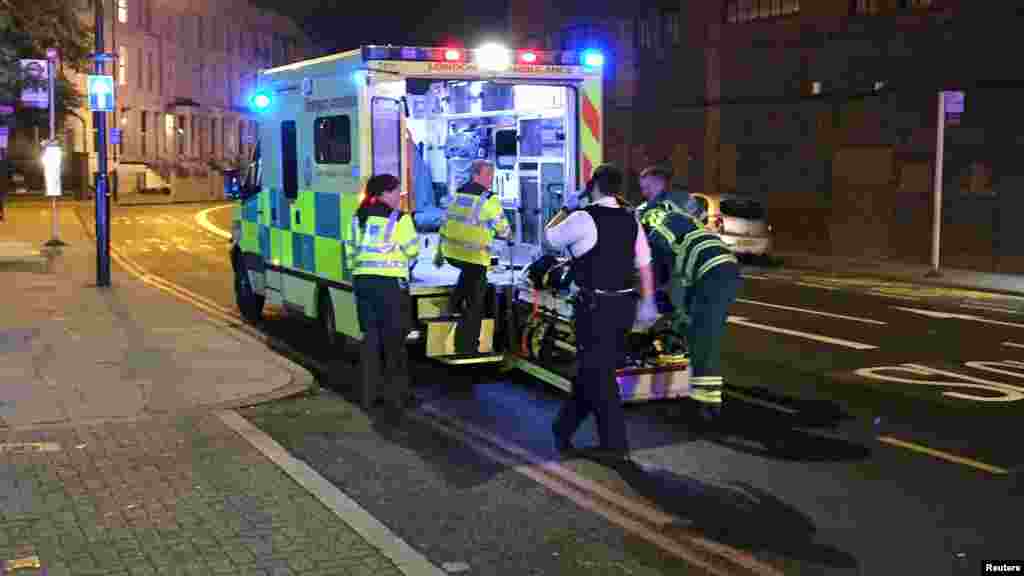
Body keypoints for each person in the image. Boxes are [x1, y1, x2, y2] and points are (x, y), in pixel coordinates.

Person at [544, 163, 658, 460]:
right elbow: (644, 263)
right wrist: (648, 302)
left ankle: (614, 446)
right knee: (594, 371)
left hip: (594, 309)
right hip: (623, 308)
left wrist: (566, 208)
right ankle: (563, 427)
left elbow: (549, 238)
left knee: (600, 376)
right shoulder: (631, 219)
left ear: (592, 185)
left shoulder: (583, 217)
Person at [636, 165, 740, 424]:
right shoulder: (678, 212)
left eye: (647, 186)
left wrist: (652, 298)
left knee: (703, 336)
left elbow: (662, 268)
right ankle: (694, 383)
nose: (644, 192)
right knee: (695, 328)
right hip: (720, 267)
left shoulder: (655, 225)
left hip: (711, 273)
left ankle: (706, 404)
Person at [347, 174, 420, 410]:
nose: (399, 197)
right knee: (394, 341)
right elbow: (412, 250)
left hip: (363, 283)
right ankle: (398, 396)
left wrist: (357, 271)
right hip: (390, 286)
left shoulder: (358, 218)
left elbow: (349, 249)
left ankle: (369, 396)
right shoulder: (400, 219)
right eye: (396, 192)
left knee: (370, 339)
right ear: (384, 193)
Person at [435, 159, 511, 354]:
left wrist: (439, 252)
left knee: (467, 277)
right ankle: (468, 346)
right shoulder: (488, 199)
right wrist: (508, 234)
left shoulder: (458, 194)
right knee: (475, 303)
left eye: (492, 177)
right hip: (474, 256)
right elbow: (503, 228)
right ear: (476, 175)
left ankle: (453, 303)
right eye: (488, 176)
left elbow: (445, 222)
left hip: (452, 253)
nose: (490, 180)